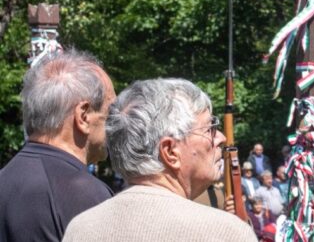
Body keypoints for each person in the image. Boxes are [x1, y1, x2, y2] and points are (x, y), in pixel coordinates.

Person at [62, 78, 256, 242]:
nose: (221, 138)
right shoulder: (225, 233)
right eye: (209, 129)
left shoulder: (80, 229)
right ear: (170, 152)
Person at [0, 50, 115, 242]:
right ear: (83, 116)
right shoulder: (86, 195)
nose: (115, 126)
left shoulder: (4, 180)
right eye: (110, 113)